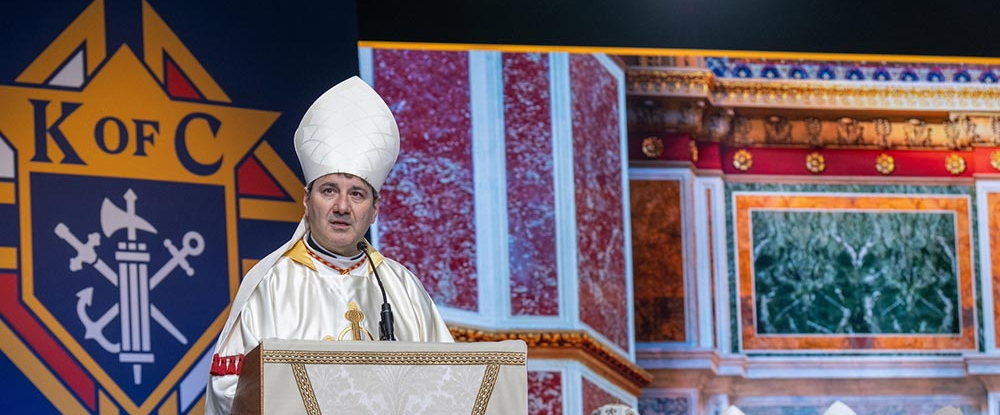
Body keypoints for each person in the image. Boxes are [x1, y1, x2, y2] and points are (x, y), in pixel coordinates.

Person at [204, 76, 454, 415]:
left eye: (357, 194)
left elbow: (449, 385)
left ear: (374, 210)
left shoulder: (403, 289)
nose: (342, 206)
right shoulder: (271, 284)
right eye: (329, 190)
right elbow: (230, 389)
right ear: (307, 201)